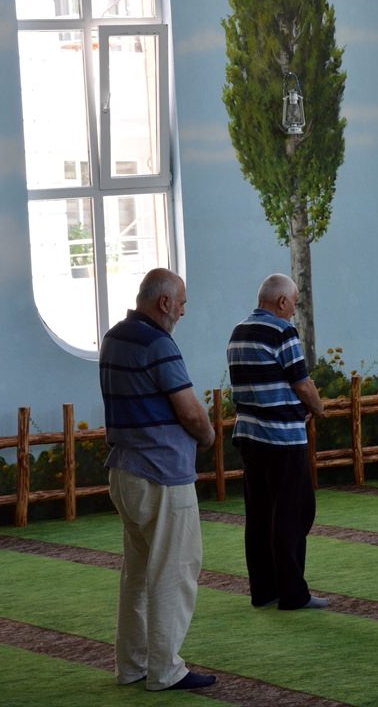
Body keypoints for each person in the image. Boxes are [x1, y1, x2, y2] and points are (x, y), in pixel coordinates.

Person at [99, 268, 217, 692]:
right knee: (174, 570)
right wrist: (208, 436)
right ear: (164, 302)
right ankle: (166, 669)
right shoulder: (158, 343)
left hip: (124, 470)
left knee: (136, 575)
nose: (183, 311)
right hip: (162, 475)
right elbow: (190, 411)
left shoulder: (114, 337)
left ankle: (131, 665)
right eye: (181, 303)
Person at [227, 273, 327, 610]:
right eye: (294, 303)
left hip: (249, 436)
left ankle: (264, 590)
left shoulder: (238, 332)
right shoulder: (282, 331)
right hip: (282, 437)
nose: (294, 310)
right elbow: (302, 383)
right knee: (294, 512)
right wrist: (318, 408)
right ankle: (293, 593)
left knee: (259, 513)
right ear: (282, 301)